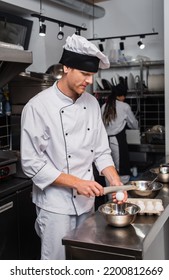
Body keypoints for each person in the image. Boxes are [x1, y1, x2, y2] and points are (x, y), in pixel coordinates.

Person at [20, 34, 126, 260]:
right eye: (85, 74)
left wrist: (115, 182)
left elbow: (101, 151)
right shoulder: (38, 107)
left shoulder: (92, 103)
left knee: (83, 262)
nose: (89, 81)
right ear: (66, 67)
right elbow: (31, 163)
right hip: (55, 206)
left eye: (92, 75)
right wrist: (77, 182)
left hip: (86, 204)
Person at [101, 83, 139, 184]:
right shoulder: (124, 106)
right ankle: (121, 195)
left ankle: (110, 197)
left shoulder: (104, 106)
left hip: (104, 141)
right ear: (122, 96)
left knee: (108, 168)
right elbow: (134, 125)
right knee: (122, 170)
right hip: (118, 140)